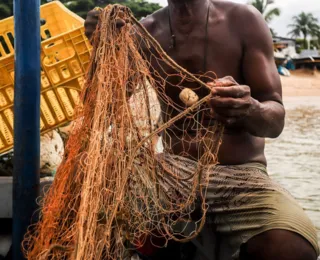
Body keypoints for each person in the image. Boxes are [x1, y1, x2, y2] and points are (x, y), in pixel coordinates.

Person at [84, 1, 319, 259]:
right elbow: (99, 109)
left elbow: (276, 121)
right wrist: (103, 49)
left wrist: (249, 109)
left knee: (293, 246)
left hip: (240, 174)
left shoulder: (244, 20)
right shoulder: (145, 32)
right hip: (171, 171)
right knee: (93, 214)